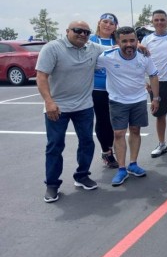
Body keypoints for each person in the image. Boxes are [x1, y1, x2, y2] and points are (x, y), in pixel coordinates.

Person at [36, 21, 106, 203]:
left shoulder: (92, 47)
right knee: (55, 145)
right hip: (57, 107)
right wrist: (49, 102)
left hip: (84, 106)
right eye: (78, 31)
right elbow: (41, 76)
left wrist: (138, 45)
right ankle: (52, 185)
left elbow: (115, 47)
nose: (82, 34)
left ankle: (82, 176)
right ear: (67, 31)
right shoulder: (52, 48)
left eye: (86, 32)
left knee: (87, 142)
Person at [96, 26, 159, 186]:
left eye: (132, 40)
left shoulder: (144, 56)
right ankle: (121, 169)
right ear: (117, 42)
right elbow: (89, 65)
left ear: (137, 41)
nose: (129, 44)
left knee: (135, 130)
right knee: (118, 133)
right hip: (117, 101)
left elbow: (153, 75)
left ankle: (133, 164)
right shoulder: (107, 57)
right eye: (124, 41)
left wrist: (156, 98)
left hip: (138, 100)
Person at [141, 10, 167, 159]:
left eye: (162, 20)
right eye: (156, 20)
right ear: (152, 22)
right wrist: (145, 81)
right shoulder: (147, 40)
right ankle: (162, 144)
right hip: (156, 83)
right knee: (160, 116)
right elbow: (142, 62)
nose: (159, 22)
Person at [90, 13, 119, 169]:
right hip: (98, 88)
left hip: (116, 88)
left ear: (115, 27)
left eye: (111, 23)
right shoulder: (91, 41)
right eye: (105, 22)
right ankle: (106, 152)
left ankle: (111, 146)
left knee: (115, 121)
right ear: (99, 23)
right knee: (103, 120)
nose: (108, 25)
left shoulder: (118, 41)